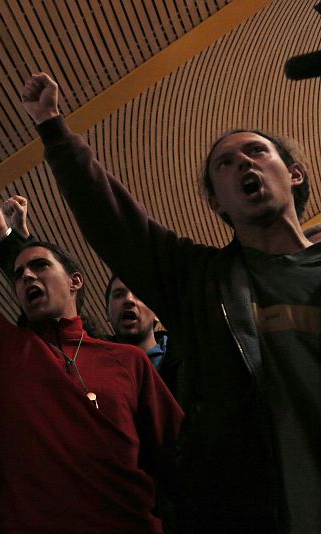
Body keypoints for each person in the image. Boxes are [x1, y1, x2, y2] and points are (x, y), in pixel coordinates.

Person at [20, 72, 320, 532]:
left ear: (294, 173)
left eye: (256, 151)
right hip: (259, 511)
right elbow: (115, 220)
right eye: (224, 164)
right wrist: (53, 130)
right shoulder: (199, 282)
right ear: (217, 203)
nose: (243, 163)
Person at [0, 91, 183, 533]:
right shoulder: (4, 350)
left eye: (40, 266)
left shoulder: (128, 362)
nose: (27, 278)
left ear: (75, 280)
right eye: (18, 274)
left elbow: (183, 458)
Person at [105, 276, 179, 394]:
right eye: (118, 295)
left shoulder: (185, 362)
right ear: (107, 313)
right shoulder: (97, 368)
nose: (129, 300)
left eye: (139, 294)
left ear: (156, 313)